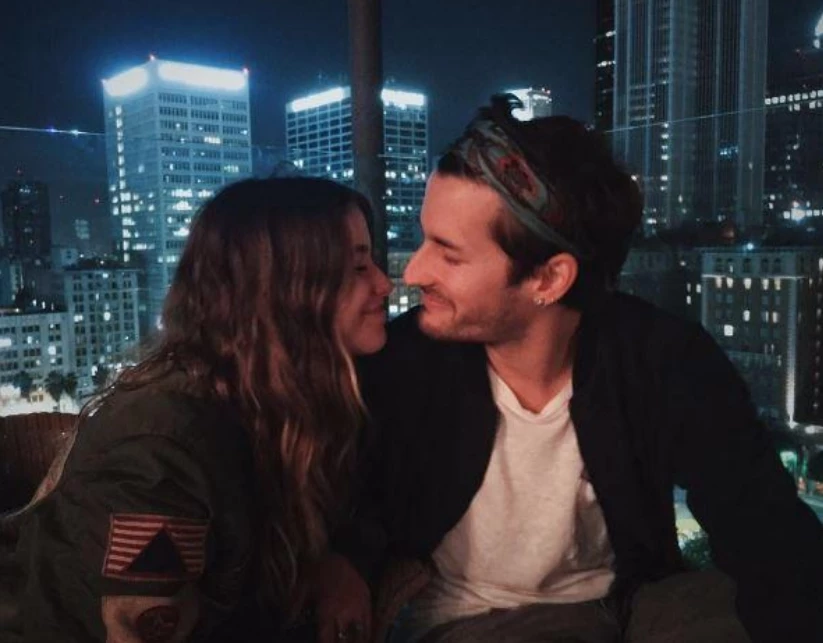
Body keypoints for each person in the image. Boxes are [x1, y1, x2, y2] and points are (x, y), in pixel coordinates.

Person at [357, 96, 823, 642]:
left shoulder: (661, 359)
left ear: (549, 279)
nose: (413, 272)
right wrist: (344, 558)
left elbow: (764, 526)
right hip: (478, 620)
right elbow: (342, 494)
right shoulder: (406, 363)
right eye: (423, 238)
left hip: (636, 602)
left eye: (448, 253)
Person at [1, 177, 392, 642]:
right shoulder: (161, 455)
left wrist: (341, 559)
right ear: (283, 291)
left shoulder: (295, 401)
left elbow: (370, 501)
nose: (385, 284)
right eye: (359, 267)